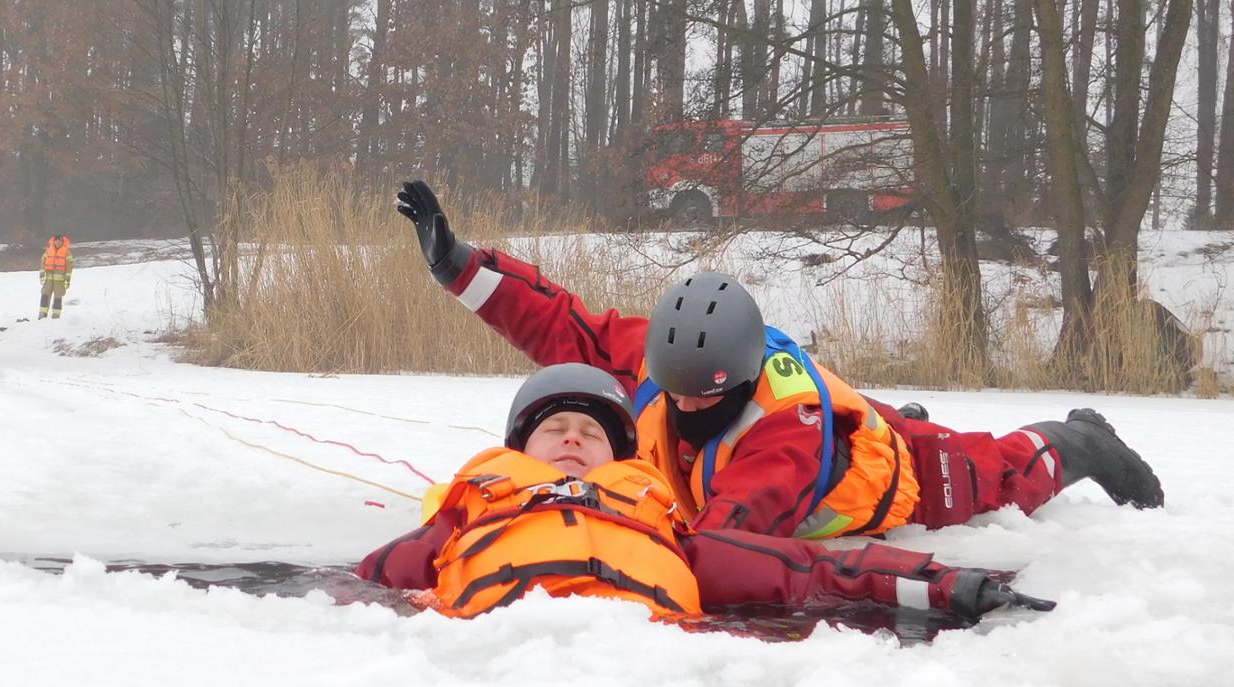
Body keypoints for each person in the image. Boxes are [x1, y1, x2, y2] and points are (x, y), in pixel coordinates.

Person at [393, 180, 1164, 540]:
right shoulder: (669, 366)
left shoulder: (777, 436)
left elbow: (730, 530)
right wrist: (462, 267)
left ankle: (1082, 440)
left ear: (735, 381)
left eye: (702, 400)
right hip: (839, 420)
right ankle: (899, 420)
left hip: (892, 475)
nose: (683, 408)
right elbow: (571, 331)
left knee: (1000, 474)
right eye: (673, 393)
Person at [357, 363, 1056, 622]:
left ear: (620, 459)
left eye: (591, 434)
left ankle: (1061, 444)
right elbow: (368, 580)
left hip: (648, 645)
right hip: (496, 642)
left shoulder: (670, 531)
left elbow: (814, 571)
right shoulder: (472, 508)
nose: (573, 439)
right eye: (556, 429)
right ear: (520, 450)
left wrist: (947, 587)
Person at [39, 234, 73, 319]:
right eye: (57, 240)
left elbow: (70, 266)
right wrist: (42, 274)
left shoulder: (67, 252)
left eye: (60, 241)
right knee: (45, 295)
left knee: (58, 297)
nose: (58, 242)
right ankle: (42, 314)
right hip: (48, 278)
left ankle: (56, 315)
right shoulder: (48, 251)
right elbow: (43, 262)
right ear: (54, 241)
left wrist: (67, 279)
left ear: (62, 242)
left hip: (60, 280)